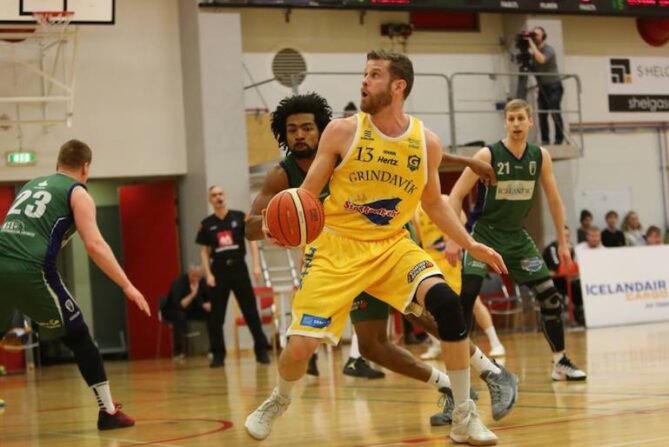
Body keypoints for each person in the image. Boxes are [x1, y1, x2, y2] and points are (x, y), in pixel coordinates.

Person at [245, 51, 508, 444]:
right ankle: (278, 399)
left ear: (398, 86)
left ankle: (464, 417)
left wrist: (471, 243)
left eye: (374, 75)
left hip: (391, 246)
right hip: (336, 248)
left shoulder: (426, 142)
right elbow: (306, 197)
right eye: (364, 74)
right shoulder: (341, 132)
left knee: (446, 304)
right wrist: (280, 224)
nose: (364, 81)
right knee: (301, 348)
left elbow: (434, 203)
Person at [0, 139, 151, 430]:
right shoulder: (78, 193)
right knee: (79, 336)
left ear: (58, 163)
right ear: (85, 167)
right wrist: (127, 285)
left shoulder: (32, 184)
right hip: (32, 269)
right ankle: (108, 412)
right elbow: (95, 245)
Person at [447, 99, 587, 383]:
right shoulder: (488, 155)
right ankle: (460, 371)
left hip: (517, 237)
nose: (516, 124)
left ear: (530, 121)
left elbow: (555, 200)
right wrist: (454, 238)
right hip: (483, 235)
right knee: (467, 297)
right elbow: (456, 195)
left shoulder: (540, 156)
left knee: (549, 295)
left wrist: (562, 243)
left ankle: (560, 362)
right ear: (505, 123)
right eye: (511, 119)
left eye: (521, 118)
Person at [414, 201, 506, 360]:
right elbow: (417, 238)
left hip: (453, 259)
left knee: (474, 302)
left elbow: (465, 226)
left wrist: (459, 246)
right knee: (426, 306)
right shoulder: (414, 210)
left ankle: (495, 342)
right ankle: (436, 343)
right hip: (431, 262)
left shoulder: (446, 200)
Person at [197, 186, 269, 367]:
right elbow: (204, 252)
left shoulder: (239, 217)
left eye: (220, 194)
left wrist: (256, 265)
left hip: (239, 269)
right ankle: (218, 354)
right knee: (216, 316)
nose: (218, 197)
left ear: (225, 196)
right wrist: (208, 274)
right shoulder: (207, 224)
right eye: (214, 195)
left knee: (250, 311)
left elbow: (252, 241)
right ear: (210, 200)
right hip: (219, 271)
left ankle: (261, 350)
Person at [160, 265, 212, 359]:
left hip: (191, 310)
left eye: (198, 276)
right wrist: (193, 294)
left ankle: (213, 349)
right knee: (179, 316)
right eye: (194, 276)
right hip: (173, 310)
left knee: (211, 315)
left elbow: (207, 299)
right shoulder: (179, 283)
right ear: (189, 274)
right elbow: (180, 305)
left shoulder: (202, 281)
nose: (196, 279)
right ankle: (178, 351)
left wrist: (208, 304)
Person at [528, 26, 564, 145]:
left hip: (554, 86)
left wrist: (531, 44)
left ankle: (559, 138)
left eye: (537, 35)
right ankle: (545, 139)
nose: (534, 37)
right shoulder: (533, 53)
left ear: (543, 37)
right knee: (542, 114)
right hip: (542, 87)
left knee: (554, 112)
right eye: (533, 35)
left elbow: (541, 60)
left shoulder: (548, 49)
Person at [543, 226, 583, 326]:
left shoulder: (570, 248)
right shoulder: (552, 248)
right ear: (557, 236)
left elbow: (572, 268)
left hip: (564, 279)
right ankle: (574, 317)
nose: (566, 239)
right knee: (575, 289)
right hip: (551, 282)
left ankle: (579, 314)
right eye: (564, 236)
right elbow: (557, 268)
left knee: (580, 287)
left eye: (568, 236)